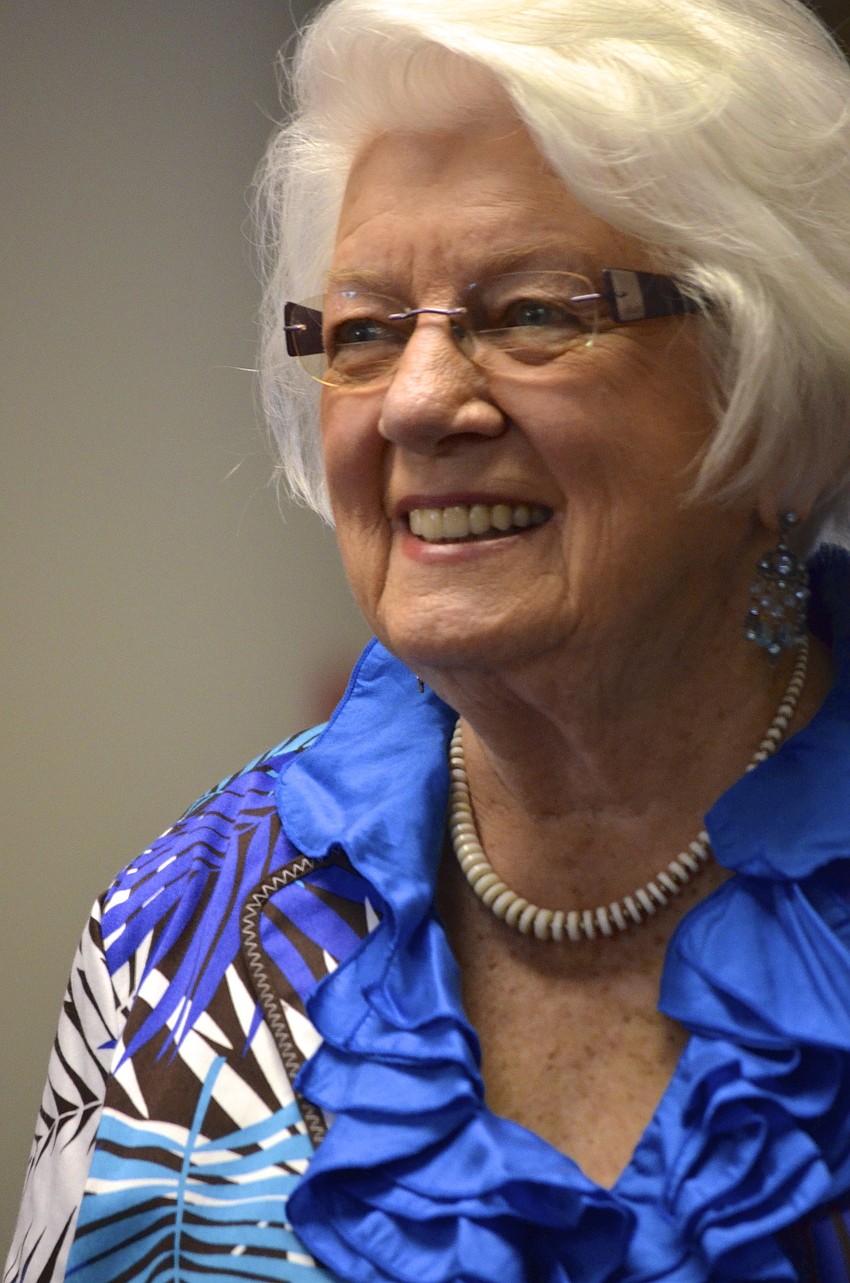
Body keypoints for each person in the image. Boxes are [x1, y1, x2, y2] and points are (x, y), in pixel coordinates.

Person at [7, 0, 850, 1279]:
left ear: (768, 371)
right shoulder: (174, 941)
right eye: (362, 330)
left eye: (529, 312)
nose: (413, 401)